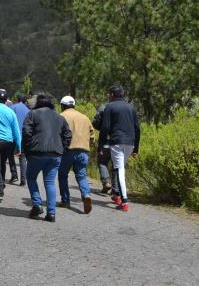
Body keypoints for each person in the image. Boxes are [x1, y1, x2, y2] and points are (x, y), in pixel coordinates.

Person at [23, 93, 72, 222]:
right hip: (55, 154)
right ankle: (51, 213)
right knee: (50, 182)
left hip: (36, 153)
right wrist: (62, 150)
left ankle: (37, 205)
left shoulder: (32, 114)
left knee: (31, 177)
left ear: (38, 103)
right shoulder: (60, 118)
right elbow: (68, 135)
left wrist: (27, 150)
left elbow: (26, 133)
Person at [100, 84, 141, 212]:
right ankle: (116, 195)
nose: (108, 96)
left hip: (117, 142)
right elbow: (137, 128)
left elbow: (105, 127)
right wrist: (136, 149)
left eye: (109, 94)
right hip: (130, 143)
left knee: (119, 170)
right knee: (119, 168)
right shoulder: (131, 108)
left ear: (112, 94)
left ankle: (123, 201)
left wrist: (101, 145)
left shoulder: (110, 107)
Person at [58, 95, 95, 214]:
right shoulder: (84, 117)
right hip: (83, 151)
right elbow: (92, 135)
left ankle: (65, 200)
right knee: (81, 175)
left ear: (62, 106)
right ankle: (86, 194)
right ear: (74, 105)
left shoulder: (61, 116)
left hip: (67, 151)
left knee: (63, 175)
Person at [8, 94, 30, 185]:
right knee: (22, 158)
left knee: (10, 155)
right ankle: (23, 179)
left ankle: (14, 175)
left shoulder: (12, 107)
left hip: (12, 135)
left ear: (17, 99)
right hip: (24, 136)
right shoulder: (29, 110)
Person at [92, 103, 113, 193]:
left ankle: (107, 182)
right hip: (120, 142)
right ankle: (116, 188)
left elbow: (96, 123)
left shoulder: (104, 108)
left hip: (106, 141)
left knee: (102, 162)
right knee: (116, 166)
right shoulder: (125, 109)